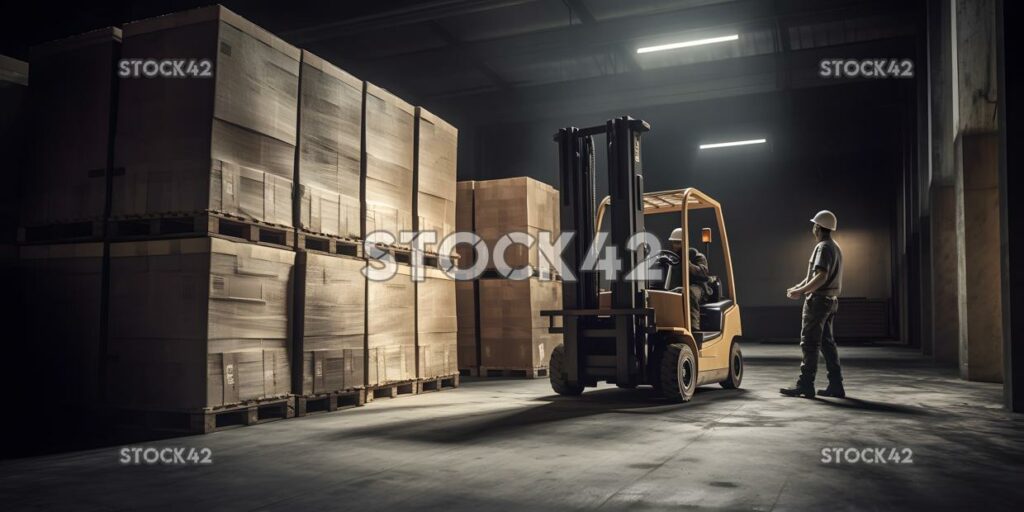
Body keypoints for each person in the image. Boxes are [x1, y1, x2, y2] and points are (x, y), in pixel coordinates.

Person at [780, 210, 846, 398]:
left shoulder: (823, 247)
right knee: (827, 344)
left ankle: (805, 385)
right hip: (830, 301)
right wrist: (798, 286)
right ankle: (836, 385)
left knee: (809, 343)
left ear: (817, 227)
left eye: (814, 224)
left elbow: (821, 276)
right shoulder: (834, 247)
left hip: (818, 302)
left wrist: (801, 292)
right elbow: (813, 276)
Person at [668, 228, 712, 331]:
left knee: (689, 292)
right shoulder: (672, 258)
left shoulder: (697, 256)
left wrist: (688, 264)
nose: (675, 246)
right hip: (680, 287)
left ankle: (694, 328)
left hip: (698, 287)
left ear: (685, 242)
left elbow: (704, 273)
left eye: (678, 243)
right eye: (674, 243)